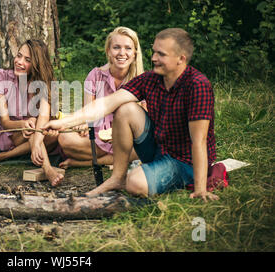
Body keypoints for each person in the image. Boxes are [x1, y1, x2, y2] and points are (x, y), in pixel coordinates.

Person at [43, 28, 219, 202]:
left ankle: (141, 177)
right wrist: (64, 122)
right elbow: (107, 103)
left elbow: (199, 141)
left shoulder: (197, 85)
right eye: (154, 52)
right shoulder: (150, 79)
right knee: (125, 108)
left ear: (181, 59)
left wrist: (200, 189)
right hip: (158, 146)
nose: (154, 58)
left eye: (161, 54)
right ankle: (117, 177)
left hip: (183, 160)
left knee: (135, 183)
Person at [57, 26, 145, 169]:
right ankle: (113, 158)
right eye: (116, 47)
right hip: (97, 137)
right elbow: (88, 112)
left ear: (135, 53)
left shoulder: (141, 80)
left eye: (128, 48)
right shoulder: (95, 75)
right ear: (108, 51)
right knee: (64, 138)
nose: (122, 53)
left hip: (126, 139)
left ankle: (85, 161)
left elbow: (142, 124)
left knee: (147, 146)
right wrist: (84, 124)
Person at [0, 39, 63, 186]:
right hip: (10, 132)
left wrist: (37, 141)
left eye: (27, 60)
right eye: (18, 55)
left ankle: (3, 157)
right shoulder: (0, 78)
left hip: (37, 131)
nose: (19, 62)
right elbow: (5, 122)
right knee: (32, 129)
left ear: (37, 65)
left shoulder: (44, 83)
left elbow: (44, 116)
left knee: (52, 136)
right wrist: (23, 123)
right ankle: (48, 169)